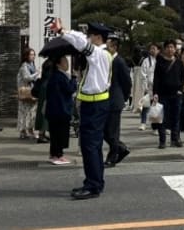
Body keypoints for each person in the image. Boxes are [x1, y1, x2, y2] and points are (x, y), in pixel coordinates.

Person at [51, 19, 113, 200]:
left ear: (98, 37)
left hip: (94, 105)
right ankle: (96, 182)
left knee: (90, 147)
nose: (88, 38)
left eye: (90, 35)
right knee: (93, 146)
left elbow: (81, 43)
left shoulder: (98, 54)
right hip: (95, 103)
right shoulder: (102, 55)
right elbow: (81, 41)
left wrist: (63, 31)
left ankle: (93, 185)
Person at [103, 35, 131, 167]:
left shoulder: (119, 61)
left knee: (112, 131)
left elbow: (127, 82)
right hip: (105, 100)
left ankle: (113, 156)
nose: (105, 48)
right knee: (105, 131)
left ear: (114, 47)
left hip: (115, 100)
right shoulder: (106, 60)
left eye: (108, 46)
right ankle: (120, 148)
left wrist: (124, 98)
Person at [45, 55, 78, 165]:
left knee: (55, 134)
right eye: (64, 61)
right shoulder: (59, 76)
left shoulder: (55, 75)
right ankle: (58, 155)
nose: (67, 64)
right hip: (60, 110)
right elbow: (69, 89)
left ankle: (55, 154)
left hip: (55, 110)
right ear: (58, 64)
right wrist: (74, 78)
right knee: (59, 134)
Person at [153, 40, 184, 149]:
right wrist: (155, 93)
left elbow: (182, 77)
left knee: (176, 117)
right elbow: (156, 78)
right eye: (168, 47)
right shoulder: (160, 62)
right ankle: (162, 141)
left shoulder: (179, 62)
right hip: (163, 94)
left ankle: (175, 139)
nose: (170, 49)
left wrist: (180, 89)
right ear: (164, 49)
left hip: (176, 94)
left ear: (175, 49)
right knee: (162, 117)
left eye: (172, 47)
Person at [17, 48, 40, 139]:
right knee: (23, 112)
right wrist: (37, 73)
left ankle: (30, 130)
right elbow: (27, 78)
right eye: (31, 54)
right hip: (25, 91)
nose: (33, 56)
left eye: (34, 54)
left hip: (31, 90)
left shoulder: (31, 65)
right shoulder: (24, 66)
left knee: (32, 111)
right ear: (26, 56)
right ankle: (23, 131)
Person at [139, 43, 159, 131]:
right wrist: (145, 87)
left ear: (158, 50)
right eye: (151, 49)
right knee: (146, 105)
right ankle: (143, 123)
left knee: (156, 107)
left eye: (154, 49)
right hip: (149, 86)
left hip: (158, 86)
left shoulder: (160, 60)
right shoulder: (146, 61)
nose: (153, 50)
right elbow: (143, 74)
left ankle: (155, 127)